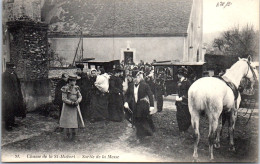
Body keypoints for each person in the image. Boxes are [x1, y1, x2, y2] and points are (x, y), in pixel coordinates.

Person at [124, 70, 155, 142]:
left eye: (137, 78)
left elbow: (150, 95)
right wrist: (126, 102)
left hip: (143, 104)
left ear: (139, 78)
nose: (135, 80)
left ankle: (143, 134)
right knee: (136, 119)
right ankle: (140, 134)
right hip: (135, 104)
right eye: (134, 78)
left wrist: (152, 106)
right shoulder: (131, 85)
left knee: (143, 119)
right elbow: (127, 94)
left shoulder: (145, 85)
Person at [2, 62, 26, 131]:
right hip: (8, 96)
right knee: (8, 110)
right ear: (8, 68)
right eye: (11, 68)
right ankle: (7, 125)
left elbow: (17, 83)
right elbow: (4, 87)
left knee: (13, 109)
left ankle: (12, 122)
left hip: (15, 95)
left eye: (13, 68)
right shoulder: (4, 75)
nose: (13, 69)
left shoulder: (14, 74)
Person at [59, 74, 83, 141]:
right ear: (69, 81)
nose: (74, 83)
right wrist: (71, 103)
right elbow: (64, 99)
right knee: (67, 122)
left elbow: (80, 96)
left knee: (74, 122)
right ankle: (67, 136)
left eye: (75, 81)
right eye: (72, 81)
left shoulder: (76, 88)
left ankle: (74, 136)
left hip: (75, 107)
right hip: (67, 107)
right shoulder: (65, 88)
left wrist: (78, 101)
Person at [175, 67, 192, 137]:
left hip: (185, 103)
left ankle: (185, 129)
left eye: (178, 74)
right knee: (179, 116)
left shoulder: (187, 82)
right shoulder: (179, 82)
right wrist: (177, 96)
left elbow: (190, 92)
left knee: (187, 116)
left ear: (180, 74)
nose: (177, 75)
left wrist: (182, 97)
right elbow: (178, 90)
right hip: (179, 103)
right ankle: (181, 130)